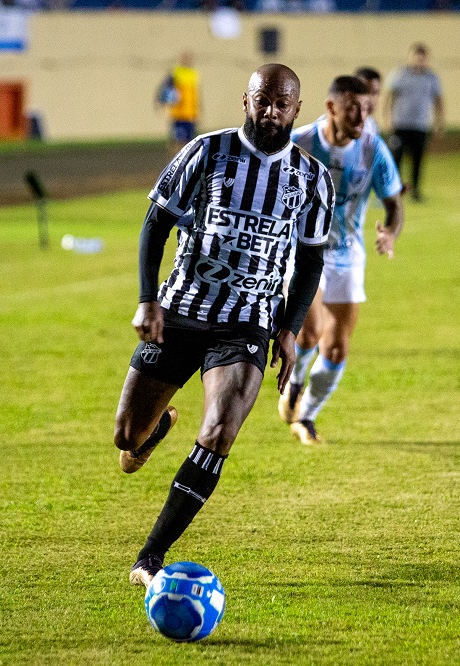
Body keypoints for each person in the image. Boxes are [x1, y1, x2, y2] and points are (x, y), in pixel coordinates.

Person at [114, 63, 334, 587]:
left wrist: (289, 326)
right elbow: (156, 222)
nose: (272, 111)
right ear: (246, 100)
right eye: (263, 100)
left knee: (218, 432)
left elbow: (309, 262)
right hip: (181, 311)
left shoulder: (312, 179)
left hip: (248, 323)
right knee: (125, 437)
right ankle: (153, 429)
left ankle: (150, 556)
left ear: (296, 110)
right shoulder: (204, 151)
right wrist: (148, 301)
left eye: (282, 104)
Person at [280, 75, 404, 445]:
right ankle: (297, 378)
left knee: (336, 348)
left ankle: (307, 417)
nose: (362, 118)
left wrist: (391, 232)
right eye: (353, 110)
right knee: (309, 330)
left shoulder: (372, 148)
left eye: (367, 110)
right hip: (301, 252)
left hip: (347, 254)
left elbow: (394, 201)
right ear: (331, 108)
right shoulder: (298, 143)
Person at [385, 43, 445, 202]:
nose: (419, 61)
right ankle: (393, 193)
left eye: (422, 58)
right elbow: (390, 97)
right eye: (416, 57)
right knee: (396, 158)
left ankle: (415, 191)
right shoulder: (400, 74)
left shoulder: (431, 77)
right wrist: (388, 119)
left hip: (420, 125)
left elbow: (438, 100)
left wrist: (439, 121)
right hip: (400, 124)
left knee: (418, 160)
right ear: (411, 57)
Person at [156, 51, 200, 153]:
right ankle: (175, 164)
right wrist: (161, 103)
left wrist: (198, 112)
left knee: (190, 142)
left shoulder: (194, 74)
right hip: (178, 114)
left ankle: (187, 165)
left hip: (191, 114)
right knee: (177, 141)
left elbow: (196, 95)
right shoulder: (175, 73)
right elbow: (164, 89)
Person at [353, 66, 382, 137]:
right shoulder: (331, 124)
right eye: (365, 91)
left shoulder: (372, 126)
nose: (370, 98)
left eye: (375, 93)